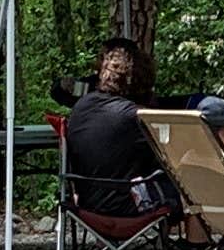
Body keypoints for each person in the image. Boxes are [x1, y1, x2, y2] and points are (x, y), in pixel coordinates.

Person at [63, 38, 181, 218]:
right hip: (126, 207)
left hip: (87, 207)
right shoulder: (136, 116)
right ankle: (195, 243)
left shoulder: (80, 107)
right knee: (188, 183)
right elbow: (170, 150)